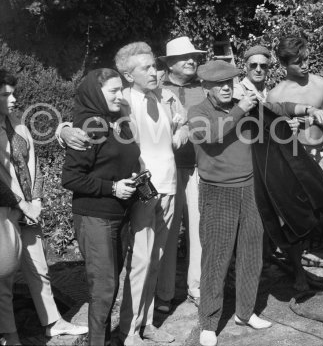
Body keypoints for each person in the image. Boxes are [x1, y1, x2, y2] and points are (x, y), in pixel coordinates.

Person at [188, 60, 323, 346]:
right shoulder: (197, 112)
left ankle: (244, 312)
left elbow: (278, 108)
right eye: (219, 84)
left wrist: (307, 109)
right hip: (218, 192)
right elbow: (213, 135)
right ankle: (209, 323)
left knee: (252, 254)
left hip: (252, 188)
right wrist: (241, 109)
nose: (226, 88)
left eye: (230, 82)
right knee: (216, 258)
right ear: (206, 87)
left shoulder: (247, 103)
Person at [0, 69, 88, 345]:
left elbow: (34, 166)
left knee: (39, 268)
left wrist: (35, 200)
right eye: (5, 94)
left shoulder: (19, 125)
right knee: (3, 276)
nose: (14, 98)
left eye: (13, 92)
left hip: (27, 210)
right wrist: (21, 204)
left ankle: (53, 322)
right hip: (4, 211)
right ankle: (11, 336)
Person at [114, 42, 186, 346]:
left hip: (169, 186)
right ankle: (127, 331)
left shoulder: (167, 97)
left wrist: (183, 129)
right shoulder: (122, 103)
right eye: (146, 68)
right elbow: (87, 121)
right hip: (144, 191)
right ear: (130, 76)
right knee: (140, 262)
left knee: (156, 259)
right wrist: (65, 131)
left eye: (154, 66)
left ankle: (146, 323)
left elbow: (185, 121)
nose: (155, 71)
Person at [61, 68, 141, 346]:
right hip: (95, 217)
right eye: (113, 91)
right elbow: (70, 178)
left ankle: (103, 341)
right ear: (96, 93)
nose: (120, 96)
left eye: (121, 90)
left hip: (119, 214)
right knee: (104, 290)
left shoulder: (116, 121)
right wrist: (113, 187)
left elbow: (117, 161)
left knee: (110, 285)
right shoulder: (91, 125)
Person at [268, 36, 323, 291]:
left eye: (306, 60)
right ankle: (298, 272)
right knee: (294, 224)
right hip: (292, 163)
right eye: (297, 62)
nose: (304, 66)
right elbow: (270, 137)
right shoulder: (276, 95)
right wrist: (286, 128)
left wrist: (317, 122)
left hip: (318, 158)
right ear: (284, 64)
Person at [155, 36, 206, 311]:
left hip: (198, 167)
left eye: (194, 57)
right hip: (168, 170)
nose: (191, 61)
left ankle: (196, 287)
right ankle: (164, 293)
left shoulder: (205, 87)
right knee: (168, 231)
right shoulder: (157, 91)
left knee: (198, 229)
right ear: (170, 64)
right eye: (184, 58)